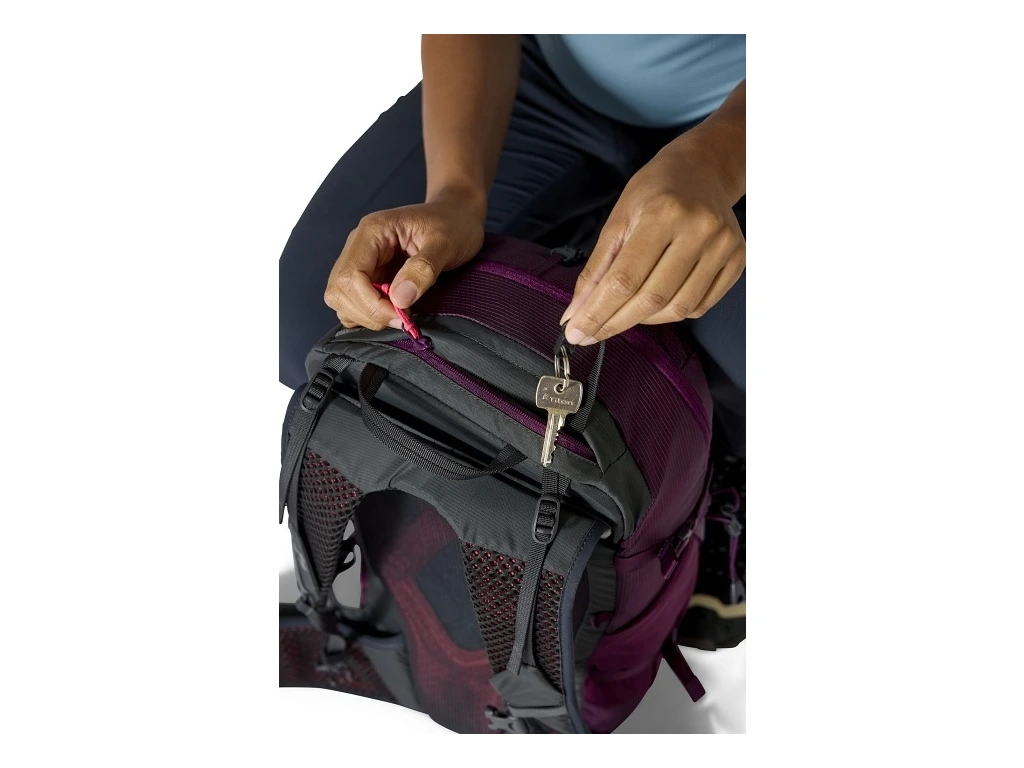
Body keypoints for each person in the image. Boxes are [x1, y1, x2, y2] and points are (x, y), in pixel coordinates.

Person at [280, 34, 745, 453]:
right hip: (539, 72)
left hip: (736, 118)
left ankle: (709, 484)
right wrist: (455, 195)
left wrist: (716, 162)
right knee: (308, 317)